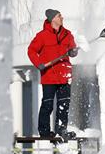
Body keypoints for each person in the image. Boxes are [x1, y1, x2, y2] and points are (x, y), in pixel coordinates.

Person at [27, 9, 79, 141]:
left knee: (64, 104)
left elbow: (73, 49)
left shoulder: (68, 35)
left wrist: (73, 52)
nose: (62, 17)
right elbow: (31, 51)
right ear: (52, 19)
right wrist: (38, 63)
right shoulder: (42, 36)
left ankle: (61, 129)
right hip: (49, 75)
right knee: (47, 104)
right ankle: (44, 132)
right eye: (59, 16)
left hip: (64, 74)